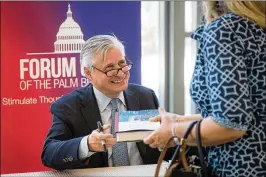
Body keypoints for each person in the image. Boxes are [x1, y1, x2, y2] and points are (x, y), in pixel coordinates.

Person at [144, 1, 266, 177]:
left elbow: (231, 124)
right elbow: (250, 111)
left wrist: (173, 131)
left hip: (240, 168)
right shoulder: (256, 24)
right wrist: (180, 121)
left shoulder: (225, 29)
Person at [41, 34, 172, 170]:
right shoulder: (68, 106)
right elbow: (49, 154)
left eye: (122, 64)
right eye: (109, 69)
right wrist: (87, 144)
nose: (120, 74)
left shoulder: (145, 96)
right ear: (88, 73)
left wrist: (175, 134)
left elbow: (166, 149)